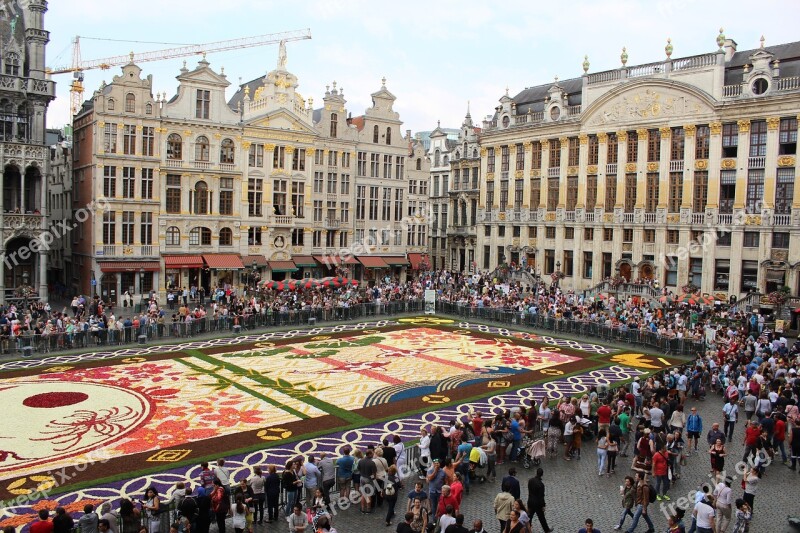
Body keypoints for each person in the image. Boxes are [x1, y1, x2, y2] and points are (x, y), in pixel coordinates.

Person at [526, 467, 553, 533]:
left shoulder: (530, 480)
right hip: (537, 503)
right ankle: (546, 530)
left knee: (529, 516)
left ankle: (527, 529)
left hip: (530, 501)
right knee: (541, 517)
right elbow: (541, 497)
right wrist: (543, 505)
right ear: (542, 474)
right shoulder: (541, 485)